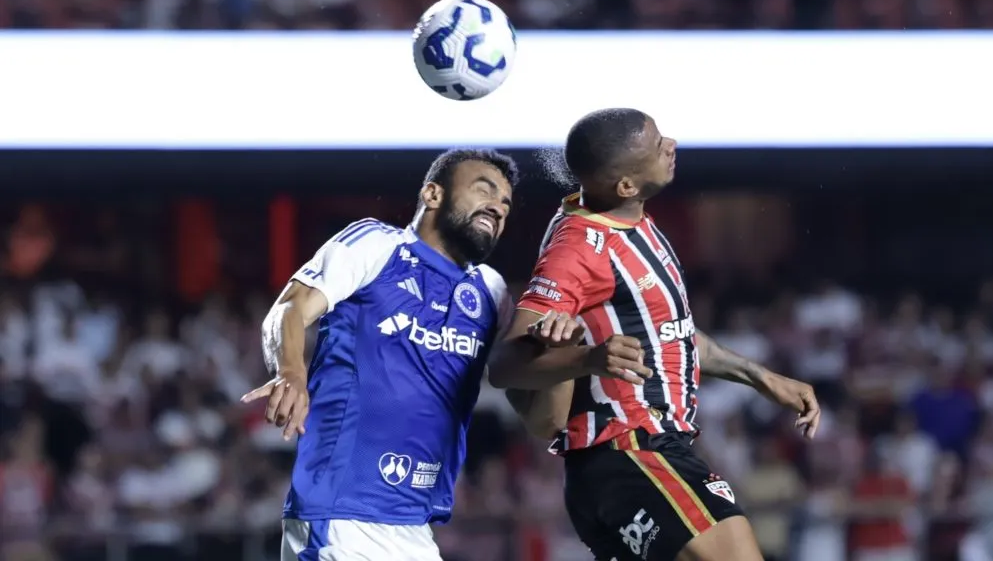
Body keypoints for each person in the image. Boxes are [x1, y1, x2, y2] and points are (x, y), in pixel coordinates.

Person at [489, 108, 821, 561]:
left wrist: (760, 377)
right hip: (631, 452)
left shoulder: (634, 223)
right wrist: (589, 358)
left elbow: (670, 335)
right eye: (657, 144)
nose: (672, 144)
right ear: (625, 184)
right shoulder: (579, 247)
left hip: (644, 454)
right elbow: (505, 364)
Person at [241, 149, 523, 561]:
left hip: (415, 529)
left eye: (505, 203)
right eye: (485, 190)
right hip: (341, 517)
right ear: (432, 193)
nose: (497, 206)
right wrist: (291, 372)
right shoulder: (377, 245)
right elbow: (289, 309)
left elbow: (524, 366)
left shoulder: (490, 291)